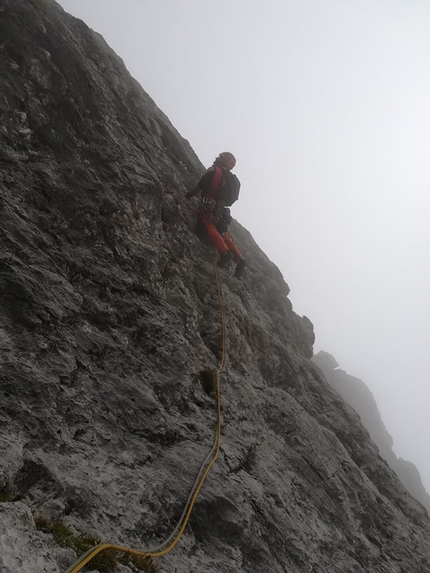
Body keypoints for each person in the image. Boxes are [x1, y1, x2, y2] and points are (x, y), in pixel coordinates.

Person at [186, 152, 243, 273]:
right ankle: (240, 258)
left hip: (209, 204)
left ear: (222, 161)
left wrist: (189, 195)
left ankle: (225, 253)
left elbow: (200, 186)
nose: (216, 158)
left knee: (210, 227)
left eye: (219, 158)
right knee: (224, 233)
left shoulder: (214, 171)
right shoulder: (230, 178)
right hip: (222, 208)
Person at [216, 208, 246, 279]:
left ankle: (230, 256)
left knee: (229, 244)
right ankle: (239, 263)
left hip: (224, 234)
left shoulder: (221, 213)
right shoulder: (225, 215)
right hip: (226, 235)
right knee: (231, 245)